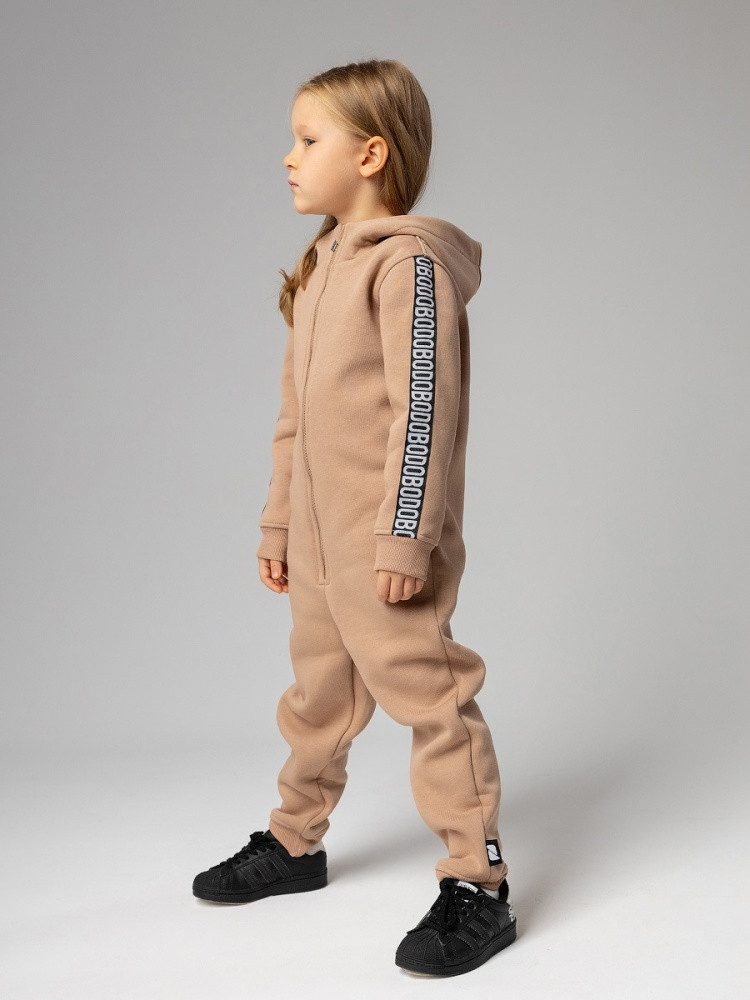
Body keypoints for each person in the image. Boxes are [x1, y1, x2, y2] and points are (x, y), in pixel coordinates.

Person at [192, 58, 516, 977]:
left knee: (432, 698)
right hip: (320, 547)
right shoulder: (321, 265)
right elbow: (295, 420)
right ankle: (295, 842)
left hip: (384, 545)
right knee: (318, 701)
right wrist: (279, 527)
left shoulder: (409, 266)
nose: (288, 157)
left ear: (371, 154)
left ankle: (479, 883)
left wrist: (406, 537)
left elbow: (426, 412)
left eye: (307, 139)